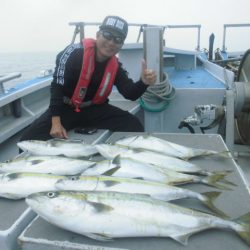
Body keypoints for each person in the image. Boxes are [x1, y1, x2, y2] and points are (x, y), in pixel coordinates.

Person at [19, 15, 156, 141]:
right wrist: (56, 122)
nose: (111, 42)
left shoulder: (115, 66)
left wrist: (143, 83)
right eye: (107, 35)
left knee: (133, 124)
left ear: (121, 45)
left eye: (118, 39)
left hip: (95, 109)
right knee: (26, 141)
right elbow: (57, 87)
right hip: (65, 109)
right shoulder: (72, 53)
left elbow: (130, 93)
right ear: (98, 35)